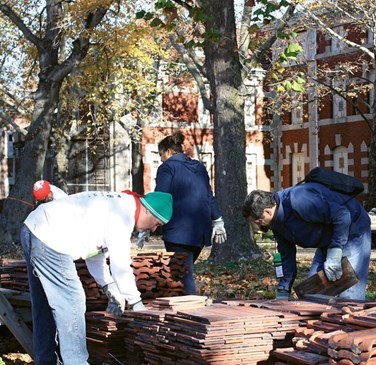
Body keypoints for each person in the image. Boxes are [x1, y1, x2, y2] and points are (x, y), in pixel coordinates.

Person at [21, 190, 173, 364]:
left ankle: (45, 361)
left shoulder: (119, 205)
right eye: (156, 223)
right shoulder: (123, 216)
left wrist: (109, 287)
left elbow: (94, 254)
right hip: (49, 237)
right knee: (73, 301)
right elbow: (120, 265)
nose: (153, 229)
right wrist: (136, 303)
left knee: (44, 305)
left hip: (33, 227)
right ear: (148, 210)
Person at [242, 183, 371, 301]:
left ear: (267, 211)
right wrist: (283, 289)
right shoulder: (276, 224)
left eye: (258, 221)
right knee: (312, 295)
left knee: (348, 293)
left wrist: (335, 252)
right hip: (326, 239)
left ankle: (355, 320)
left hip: (353, 230)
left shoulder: (298, 200)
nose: (259, 226)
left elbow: (342, 215)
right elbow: (286, 256)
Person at [154, 131, 226, 295]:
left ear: (168, 151)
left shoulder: (167, 168)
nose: (160, 158)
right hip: (200, 232)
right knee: (183, 271)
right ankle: (185, 305)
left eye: (160, 154)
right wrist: (218, 219)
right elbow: (208, 195)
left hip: (177, 232)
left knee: (182, 273)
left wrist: (147, 224)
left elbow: (161, 197)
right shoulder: (199, 167)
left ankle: (191, 310)